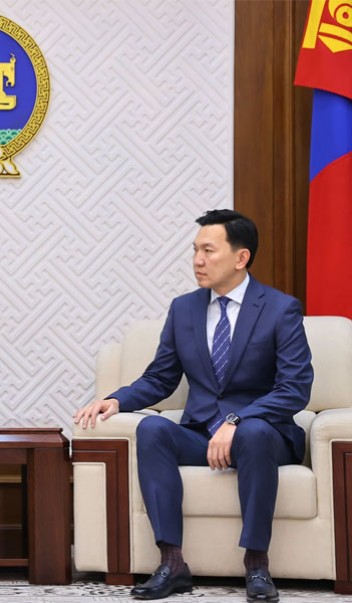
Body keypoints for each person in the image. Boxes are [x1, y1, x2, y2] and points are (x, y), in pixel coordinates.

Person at [73, 209, 313, 602]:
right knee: (152, 428)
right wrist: (116, 399)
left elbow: (295, 388)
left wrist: (236, 420)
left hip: (264, 435)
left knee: (252, 432)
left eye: (208, 250)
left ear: (241, 257)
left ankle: (256, 563)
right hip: (202, 433)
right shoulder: (184, 309)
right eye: (195, 250)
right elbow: (160, 378)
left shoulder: (279, 309)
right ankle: (172, 563)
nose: (197, 260)